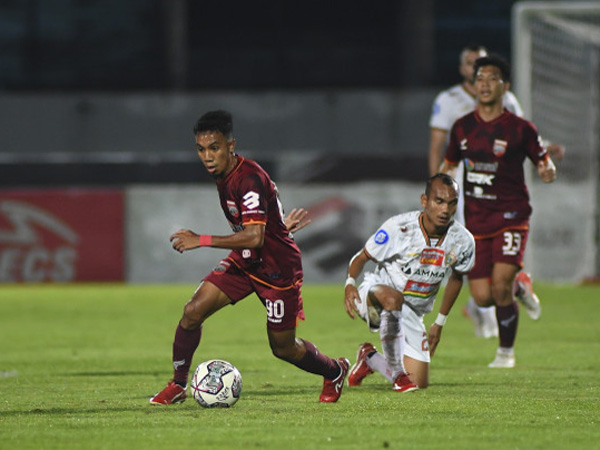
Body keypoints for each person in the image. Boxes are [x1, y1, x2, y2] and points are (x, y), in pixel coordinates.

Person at [150, 110, 349, 405]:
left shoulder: (248, 178)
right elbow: (263, 218)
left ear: (231, 146)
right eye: (201, 149)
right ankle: (179, 384)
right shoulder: (225, 175)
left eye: (214, 148)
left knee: (283, 349)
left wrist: (200, 240)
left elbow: (255, 236)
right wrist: (280, 226)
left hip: (277, 270)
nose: (207, 156)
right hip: (246, 260)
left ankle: (334, 370)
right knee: (193, 311)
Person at [428, 44, 561, 339]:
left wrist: (544, 154)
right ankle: (492, 302)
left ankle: (497, 316)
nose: (483, 77)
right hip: (463, 194)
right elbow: (438, 145)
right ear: (465, 70)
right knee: (478, 283)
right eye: (472, 65)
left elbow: (524, 134)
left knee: (495, 274)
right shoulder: (448, 101)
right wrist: (435, 185)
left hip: (503, 194)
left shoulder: (507, 99)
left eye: (488, 72)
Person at [343, 173, 475, 390]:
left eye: (452, 203)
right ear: (425, 201)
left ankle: (369, 358)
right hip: (376, 296)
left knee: (419, 382)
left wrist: (439, 322)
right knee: (394, 298)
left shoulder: (463, 240)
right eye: (439, 201)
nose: (445, 210)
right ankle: (397, 375)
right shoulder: (399, 227)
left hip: (412, 311)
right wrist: (349, 283)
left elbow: (457, 277)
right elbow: (361, 257)